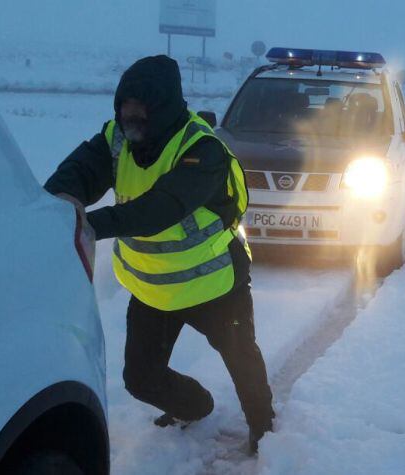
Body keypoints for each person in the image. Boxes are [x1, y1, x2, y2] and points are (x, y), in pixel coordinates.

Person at [43, 55, 274, 454]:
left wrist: (90, 225)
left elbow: (161, 209)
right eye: (124, 108)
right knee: (140, 379)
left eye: (139, 110)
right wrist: (60, 202)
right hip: (154, 289)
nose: (130, 118)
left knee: (242, 363)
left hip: (215, 283)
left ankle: (265, 430)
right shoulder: (118, 138)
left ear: (163, 108)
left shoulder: (203, 150)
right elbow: (81, 169)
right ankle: (196, 406)